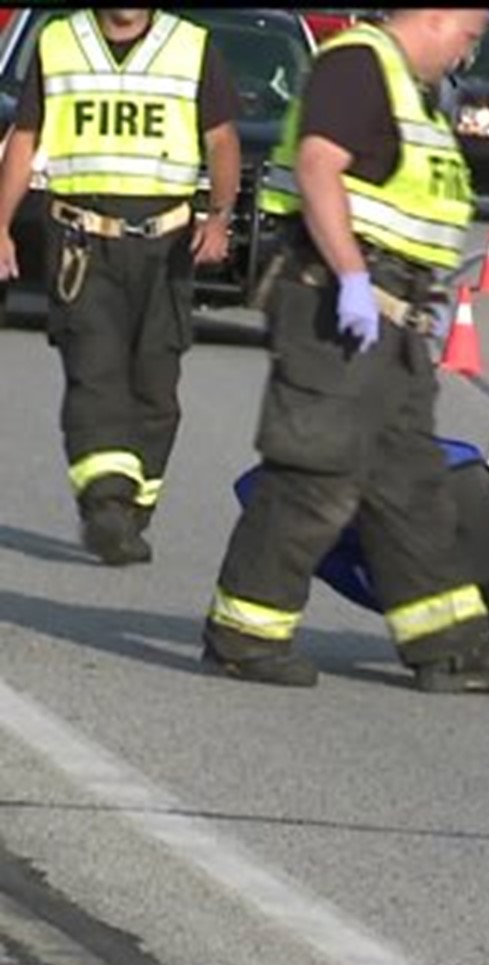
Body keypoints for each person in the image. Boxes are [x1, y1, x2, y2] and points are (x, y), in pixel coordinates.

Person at [200, 8, 489, 693]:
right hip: (335, 305)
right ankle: (243, 634)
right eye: (467, 37)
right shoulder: (357, 66)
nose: (464, 55)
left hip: (392, 320)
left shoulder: (408, 93)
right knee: (315, 475)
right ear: (436, 16)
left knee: (412, 487)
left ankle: (449, 648)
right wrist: (354, 279)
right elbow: (317, 168)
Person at [0, 8, 241, 566]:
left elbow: (222, 139)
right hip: (83, 241)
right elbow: (25, 138)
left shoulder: (192, 46)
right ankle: (105, 504)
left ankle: (134, 506)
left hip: (166, 244)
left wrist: (219, 216)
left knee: (157, 387)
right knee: (96, 370)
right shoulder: (59, 41)